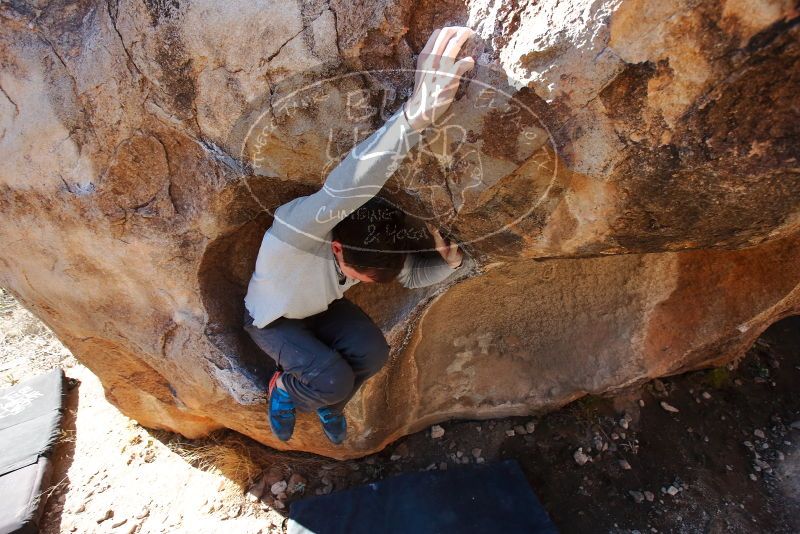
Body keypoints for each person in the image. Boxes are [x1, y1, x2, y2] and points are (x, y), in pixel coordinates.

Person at [243, 26, 477, 445]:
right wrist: (415, 114)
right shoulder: (297, 233)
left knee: (373, 354)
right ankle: (288, 390)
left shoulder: (373, 242)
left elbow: (409, 274)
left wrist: (452, 263)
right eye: (361, 278)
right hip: (273, 321)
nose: (363, 284)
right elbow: (348, 184)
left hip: (318, 311)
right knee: (332, 379)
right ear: (335, 247)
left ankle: (327, 401)